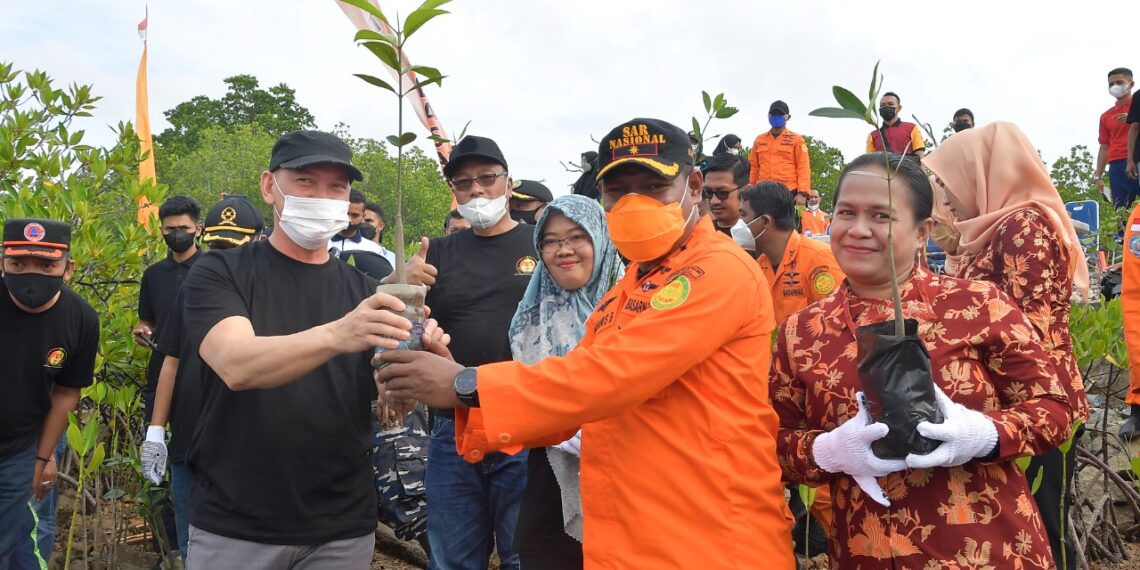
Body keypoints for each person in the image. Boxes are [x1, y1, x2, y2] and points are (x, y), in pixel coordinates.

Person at [375, 118, 795, 569]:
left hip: (707, 533)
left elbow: (609, 376)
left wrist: (465, 383)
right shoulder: (629, 287)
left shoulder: (717, 270)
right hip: (631, 528)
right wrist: (458, 392)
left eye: (653, 186)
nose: (634, 203)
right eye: (618, 191)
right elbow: (575, 399)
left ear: (694, 186)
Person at [770, 152, 1073, 568]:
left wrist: (984, 434)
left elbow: (1056, 410)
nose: (858, 230)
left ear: (921, 232)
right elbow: (776, 442)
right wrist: (826, 451)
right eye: (846, 212)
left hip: (987, 550)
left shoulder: (977, 304)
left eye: (881, 216)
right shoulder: (801, 332)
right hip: (868, 552)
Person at [178, 129, 438, 569]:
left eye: (336, 186)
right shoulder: (221, 271)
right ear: (269, 187)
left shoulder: (362, 290)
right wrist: (342, 331)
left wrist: (417, 367)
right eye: (304, 181)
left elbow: (388, 405)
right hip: (237, 523)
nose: (322, 196)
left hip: (341, 527)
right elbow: (236, 364)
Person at [925, 122, 1091, 569]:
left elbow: (1020, 326)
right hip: (1015, 402)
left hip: (1034, 403)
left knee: (1044, 523)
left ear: (980, 174)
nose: (947, 196)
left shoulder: (1023, 227)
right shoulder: (995, 228)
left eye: (949, 181)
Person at [419, 134, 535, 570]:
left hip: (525, 423)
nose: (477, 191)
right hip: (453, 427)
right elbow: (411, 331)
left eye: (487, 179)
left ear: (509, 184)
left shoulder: (540, 245)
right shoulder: (436, 252)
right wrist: (407, 292)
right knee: (451, 558)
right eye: (464, 183)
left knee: (522, 554)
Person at [140, 196, 265, 560]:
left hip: (248, 437)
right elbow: (171, 361)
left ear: (258, 240)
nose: (224, 254)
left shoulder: (267, 290)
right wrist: (155, 431)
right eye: (218, 245)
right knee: (191, 540)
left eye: (233, 246)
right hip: (191, 432)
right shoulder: (192, 287)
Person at [508, 194, 624, 570]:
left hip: (628, 484)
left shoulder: (635, 307)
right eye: (551, 241)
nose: (564, 250)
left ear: (601, 238)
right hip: (550, 487)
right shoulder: (530, 316)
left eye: (577, 236)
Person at [0, 218, 98, 567]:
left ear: (67, 268)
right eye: (18, 264)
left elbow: (66, 392)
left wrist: (42, 458)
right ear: (3, 263)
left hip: (20, 448)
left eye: (46, 265)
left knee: (13, 537)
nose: (31, 275)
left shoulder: (81, 318)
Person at [133, 194, 201, 555]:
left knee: (192, 456)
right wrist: (141, 330)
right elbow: (148, 319)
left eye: (183, 229)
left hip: (200, 381)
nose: (176, 234)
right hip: (160, 376)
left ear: (198, 229)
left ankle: (198, 545)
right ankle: (170, 547)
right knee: (156, 461)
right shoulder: (154, 274)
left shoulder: (211, 269)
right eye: (170, 229)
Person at [740, 181, 844, 325]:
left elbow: (839, 324)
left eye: (743, 215)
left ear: (765, 221)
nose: (737, 224)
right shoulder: (758, 267)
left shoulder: (818, 259)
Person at [749, 100, 812, 193]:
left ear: (788, 117)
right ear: (768, 115)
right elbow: (753, 166)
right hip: (762, 191)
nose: (776, 116)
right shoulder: (759, 139)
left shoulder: (797, 140)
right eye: (773, 114)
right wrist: (751, 186)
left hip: (788, 190)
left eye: (780, 114)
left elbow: (803, 166)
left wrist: (803, 193)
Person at [1098, 68, 1138, 209]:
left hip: (1137, 160)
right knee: (1122, 210)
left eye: (1119, 82)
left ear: (1131, 84)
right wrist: (1098, 176)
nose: (1115, 86)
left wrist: (1134, 118)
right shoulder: (1106, 116)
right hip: (1117, 166)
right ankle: (1123, 232)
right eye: (1111, 84)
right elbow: (1104, 146)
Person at [701, 153, 748, 241]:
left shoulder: (760, 238)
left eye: (722, 193)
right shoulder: (699, 234)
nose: (714, 201)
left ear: (746, 191)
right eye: (708, 192)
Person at [866, 92, 926, 158]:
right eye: (883, 105)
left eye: (890, 104)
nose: (886, 107)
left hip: (908, 167)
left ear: (899, 108)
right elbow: (869, 161)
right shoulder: (872, 135)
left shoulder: (912, 128)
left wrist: (921, 168)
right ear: (879, 109)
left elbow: (920, 155)